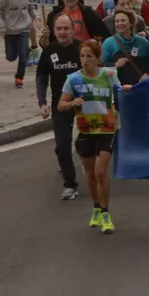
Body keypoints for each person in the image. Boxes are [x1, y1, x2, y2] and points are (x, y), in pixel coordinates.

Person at [58, 39, 132, 232]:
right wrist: (72, 103)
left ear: (98, 58)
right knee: (90, 173)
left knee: (100, 171)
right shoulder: (73, 79)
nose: (85, 60)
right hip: (85, 130)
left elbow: (119, 91)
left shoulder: (109, 75)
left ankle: (106, 213)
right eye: (82, 56)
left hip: (107, 128)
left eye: (89, 56)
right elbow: (61, 105)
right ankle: (96, 207)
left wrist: (126, 89)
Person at [36, 13, 83, 199]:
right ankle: (70, 185)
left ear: (73, 29)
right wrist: (42, 103)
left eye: (66, 28)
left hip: (84, 105)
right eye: (59, 29)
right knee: (63, 145)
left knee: (85, 145)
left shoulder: (82, 48)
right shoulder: (49, 52)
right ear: (54, 31)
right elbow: (41, 78)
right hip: (60, 105)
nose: (62, 32)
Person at [0, 0, 36, 90]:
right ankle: (21, 50)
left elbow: (31, 9)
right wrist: (1, 26)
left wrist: (37, 17)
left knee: (23, 55)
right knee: (11, 57)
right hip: (10, 31)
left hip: (24, 29)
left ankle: (19, 78)